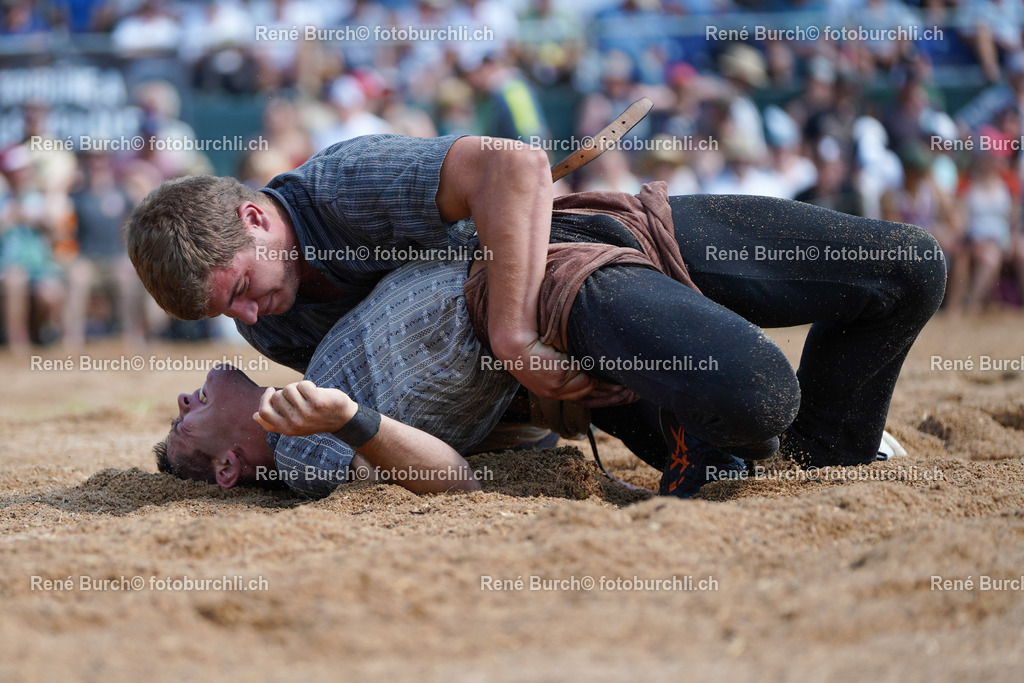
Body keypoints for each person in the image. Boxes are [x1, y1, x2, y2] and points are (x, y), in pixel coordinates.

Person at [130, 134, 947, 496]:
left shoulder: (343, 183)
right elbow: (416, 413)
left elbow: (516, 167)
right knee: (753, 399)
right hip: (573, 322)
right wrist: (523, 394)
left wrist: (513, 337)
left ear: (254, 219)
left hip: (593, 242)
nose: (244, 318)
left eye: (237, 288)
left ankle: (827, 448)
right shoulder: (273, 342)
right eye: (225, 311)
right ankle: (756, 447)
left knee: (909, 268)